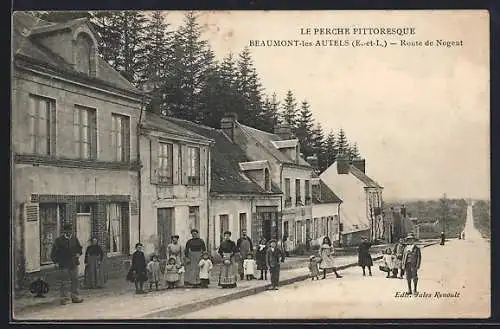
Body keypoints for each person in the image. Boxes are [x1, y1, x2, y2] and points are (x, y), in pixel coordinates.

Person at [50, 223, 83, 305]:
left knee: (75, 280)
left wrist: (79, 253)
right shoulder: (59, 240)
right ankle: (64, 298)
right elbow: (54, 253)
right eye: (68, 230)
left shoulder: (74, 239)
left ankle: (75, 297)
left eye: (71, 230)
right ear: (64, 231)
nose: (70, 232)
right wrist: (56, 262)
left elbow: (79, 248)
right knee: (64, 281)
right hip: (63, 263)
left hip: (74, 263)